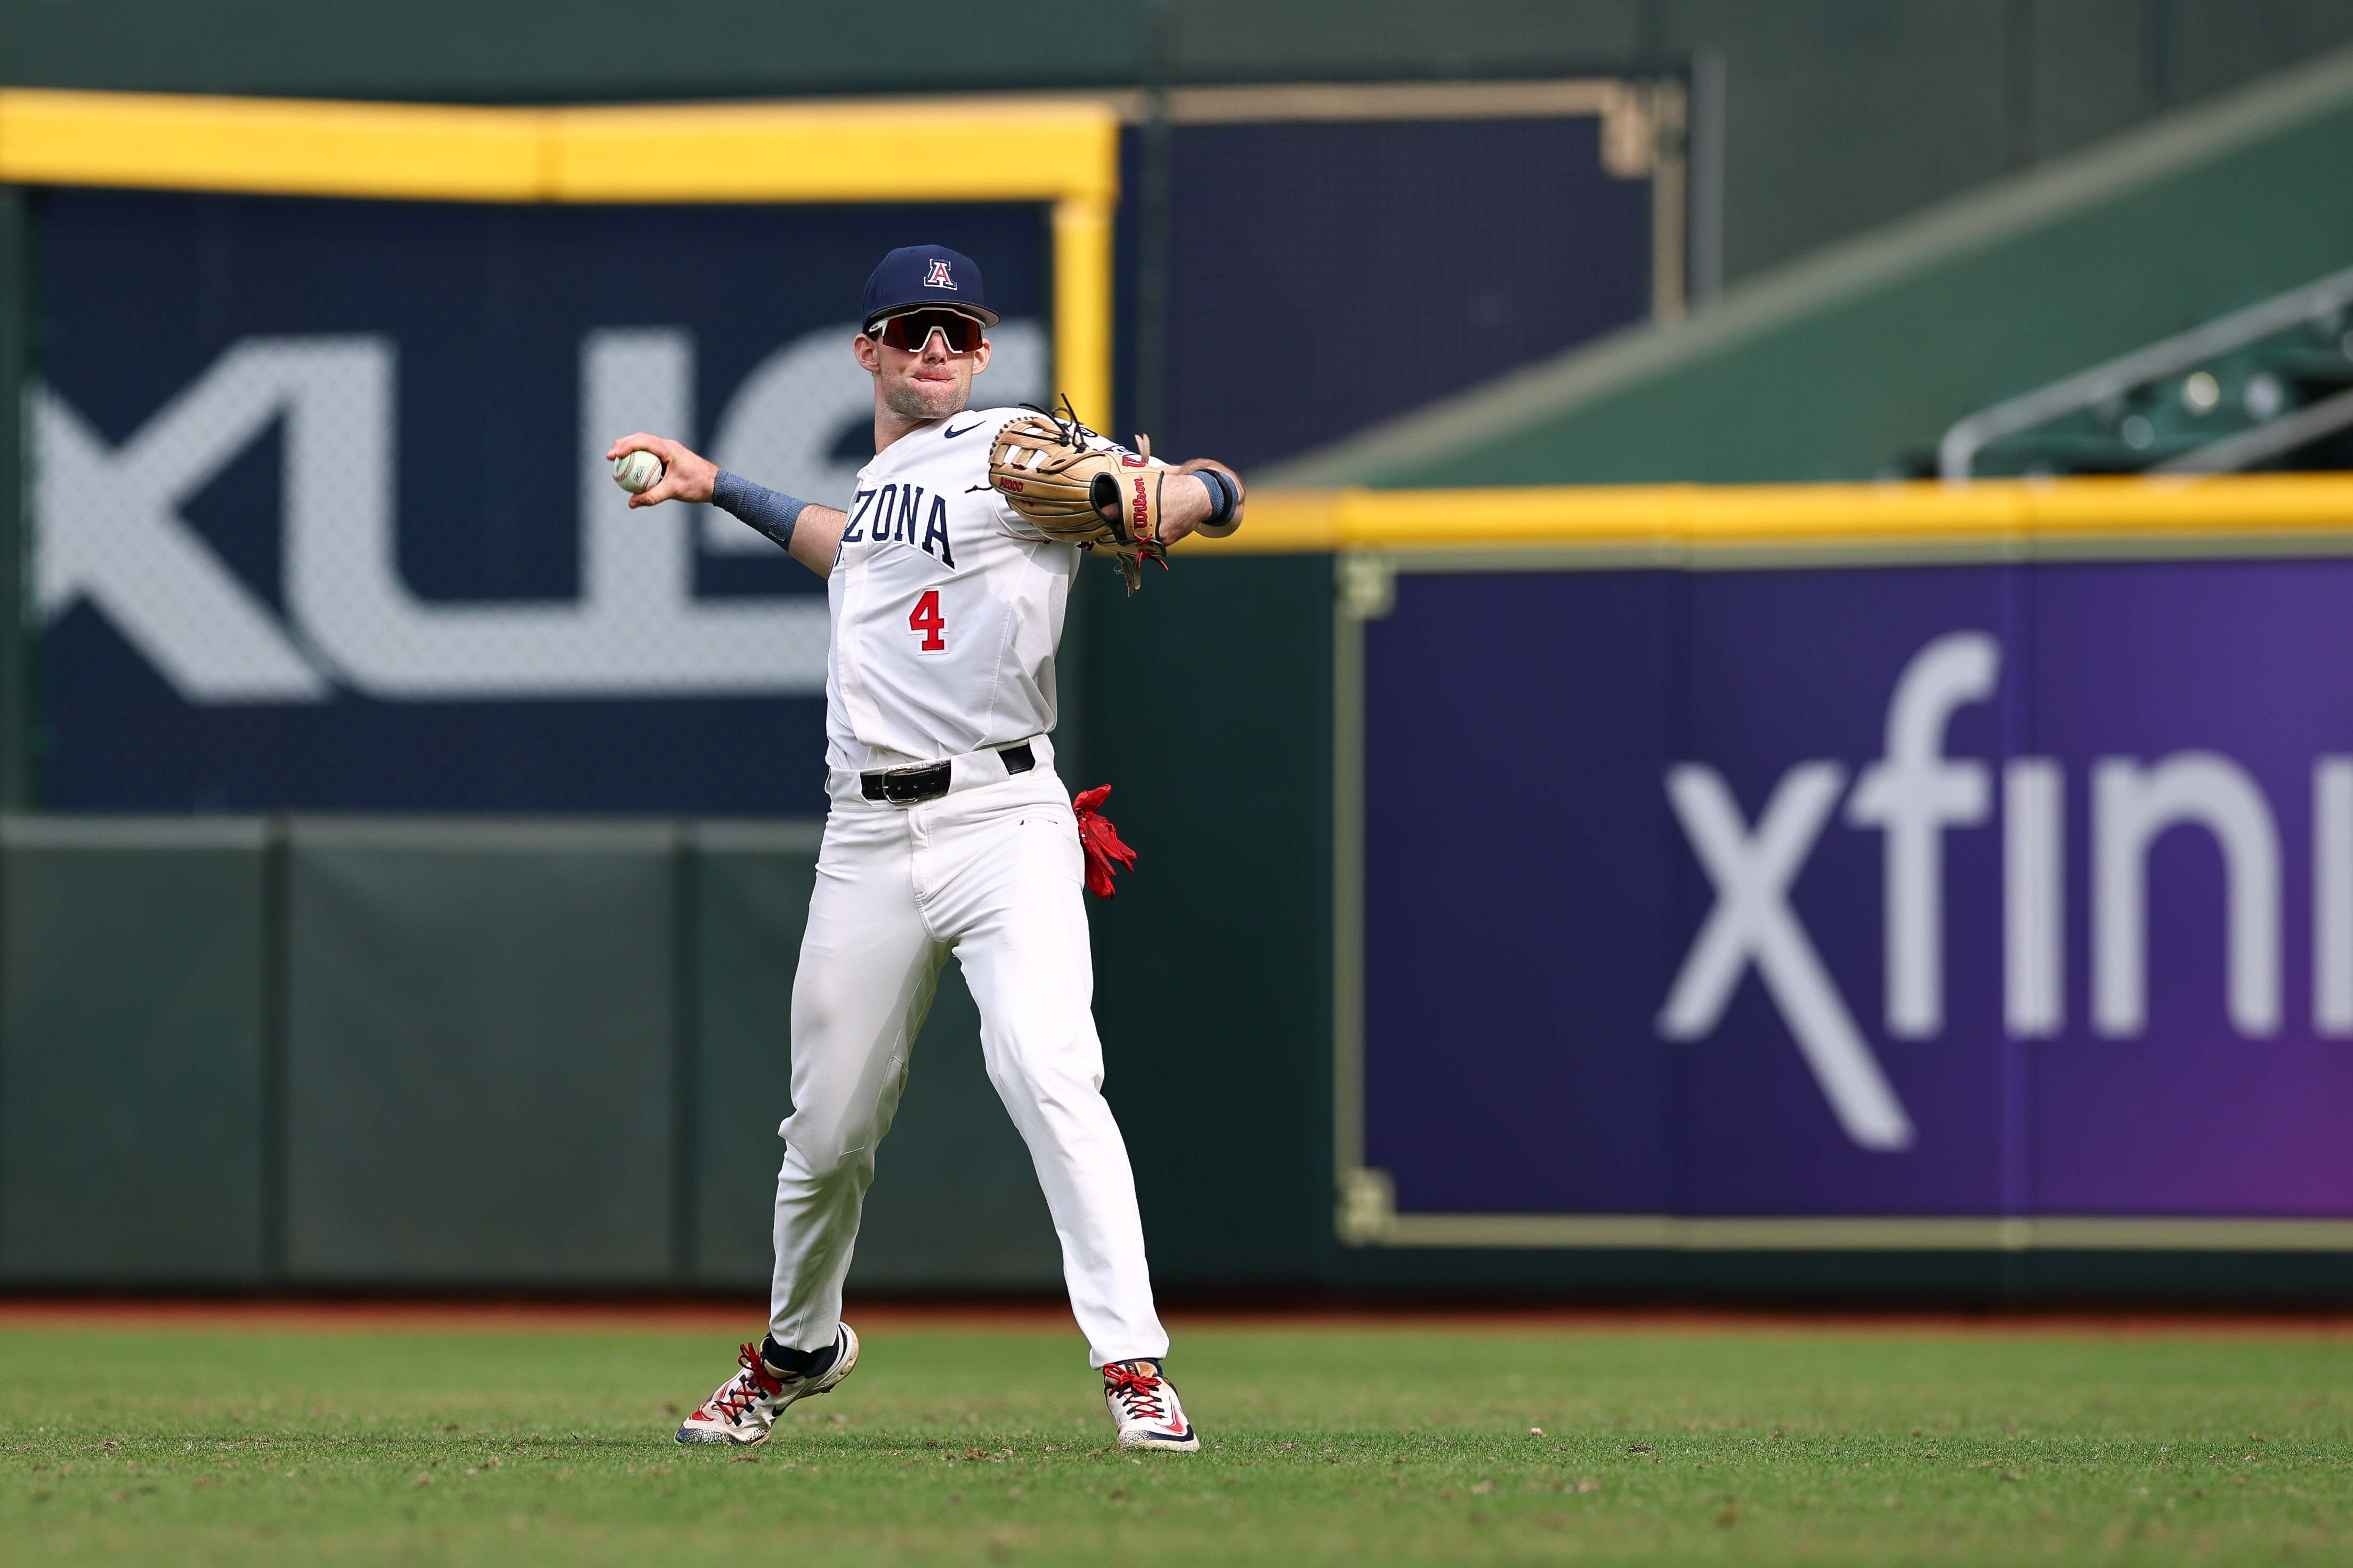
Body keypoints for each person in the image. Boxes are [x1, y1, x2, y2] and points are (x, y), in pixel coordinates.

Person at [607, 244, 1243, 1454]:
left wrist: (1206, 487)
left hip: (1006, 817)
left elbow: (1177, 501)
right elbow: (848, 548)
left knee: (1047, 1065)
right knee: (828, 1130)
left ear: (986, 350)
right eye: (911, 330)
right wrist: (713, 486)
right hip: (865, 830)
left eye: (955, 329)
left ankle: (1134, 1364)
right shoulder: (891, 481)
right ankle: (800, 1344)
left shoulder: (1011, 448)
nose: (935, 348)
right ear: (871, 353)